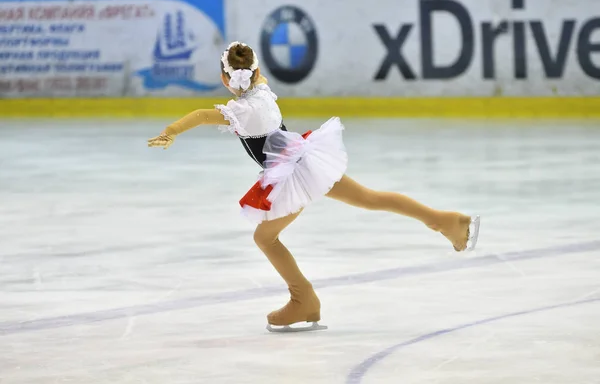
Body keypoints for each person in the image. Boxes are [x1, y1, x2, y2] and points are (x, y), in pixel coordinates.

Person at [147, 41, 480, 332]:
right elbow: (239, 89)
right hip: (306, 157)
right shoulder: (262, 89)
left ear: (224, 80)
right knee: (368, 198)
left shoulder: (241, 109)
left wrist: (171, 131)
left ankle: (302, 299)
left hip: (292, 173)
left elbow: (203, 115)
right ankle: (446, 220)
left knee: (265, 237)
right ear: (256, 71)